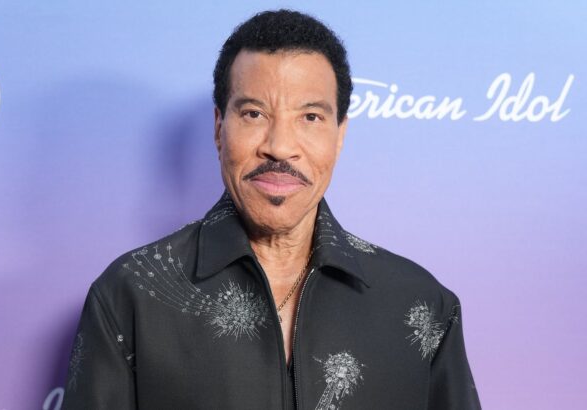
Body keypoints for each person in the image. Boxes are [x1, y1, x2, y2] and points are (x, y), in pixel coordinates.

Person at [62, 9, 481, 410]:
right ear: (219, 128)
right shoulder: (131, 295)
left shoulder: (420, 303)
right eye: (254, 113)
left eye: (310, 117)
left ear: (339, 135)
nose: (279, 146)